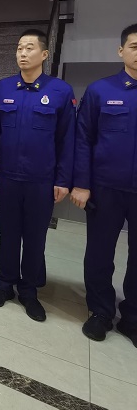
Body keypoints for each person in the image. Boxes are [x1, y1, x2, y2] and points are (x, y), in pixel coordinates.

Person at [0, 29, 75, 322]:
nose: (22, 53)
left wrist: (63, 179)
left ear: (44, 54)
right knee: (8, 233)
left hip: (41, 179)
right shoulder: (3, 88)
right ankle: (5, 283)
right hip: (8, 176)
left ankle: (29, 290)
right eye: (19, 48)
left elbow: (67, 140)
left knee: (35, 237)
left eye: (30, 48)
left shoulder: (60, 91)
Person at [71, 23, 137, 345]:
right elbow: (83, 139)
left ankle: (133, 317)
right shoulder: (100, 91)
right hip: (105, 187)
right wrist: (81, 184)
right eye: (134, 47)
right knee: (99, 252)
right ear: (121, 51)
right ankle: (100, 311)